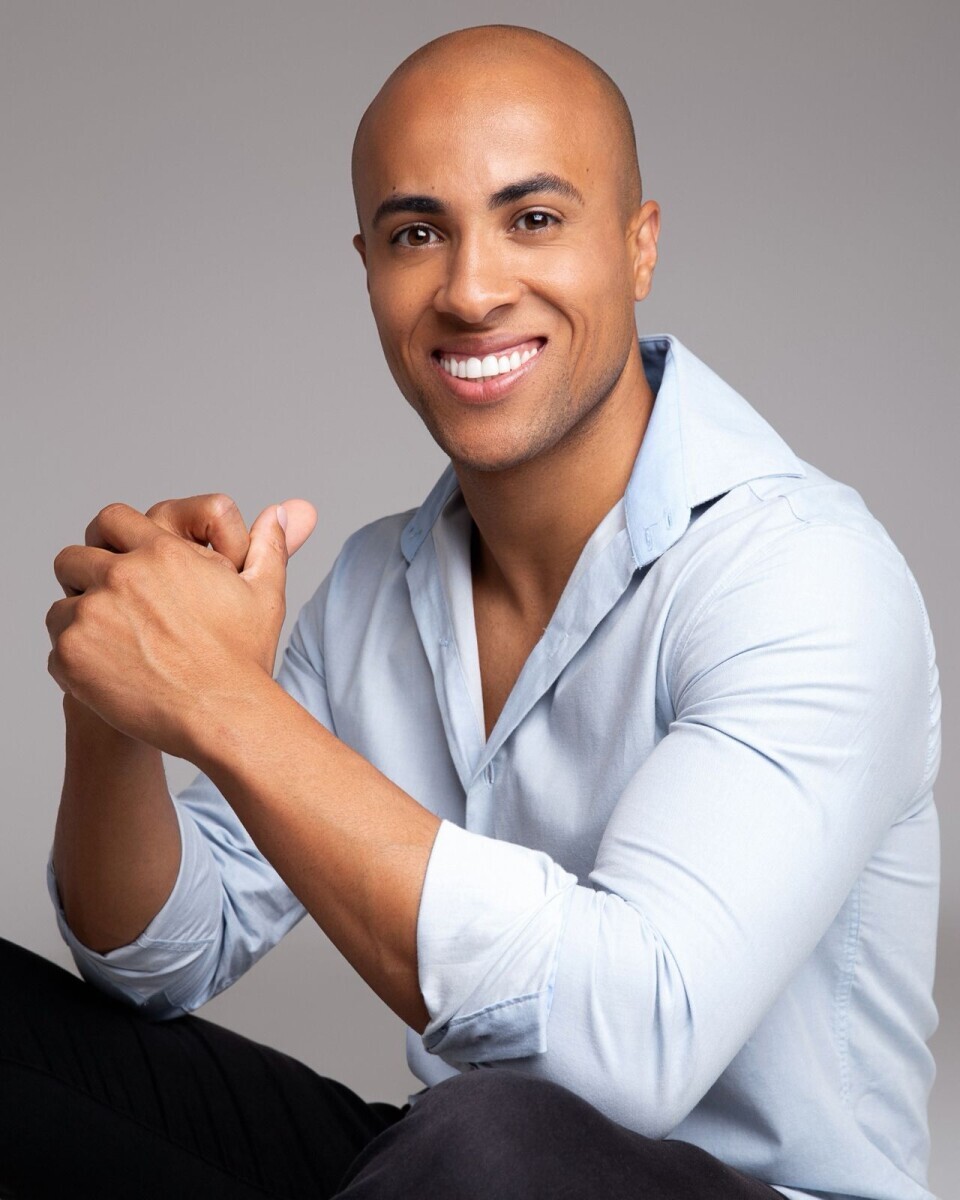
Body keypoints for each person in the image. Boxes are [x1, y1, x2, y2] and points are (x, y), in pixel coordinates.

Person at [0, 22, 941, 1200]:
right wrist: (120, 703)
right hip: (452, 1173)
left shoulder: (803, 574)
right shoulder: (375, 589)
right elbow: (159, 964)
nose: (472, 289)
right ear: (368, 268)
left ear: (639, 245)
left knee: (492, 1139)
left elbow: (627, 1048)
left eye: (532, 219)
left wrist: (223, 702)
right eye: (416, 234)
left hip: (670, 1183)